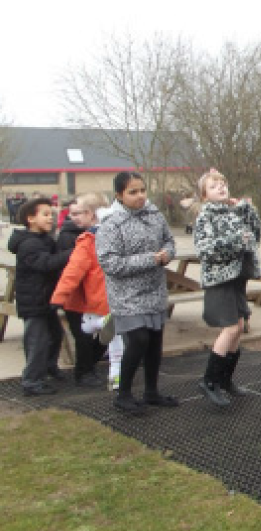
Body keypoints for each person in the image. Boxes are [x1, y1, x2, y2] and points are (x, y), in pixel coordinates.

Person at [96, 172, 178, 414]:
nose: (140, 196)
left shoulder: (155, 216)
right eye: (133, 192)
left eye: (142, 190)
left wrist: (167, 254)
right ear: (119, 195)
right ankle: (124, 394)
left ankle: (152, 391)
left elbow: (170, 241)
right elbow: (110, 263)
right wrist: (148, 260)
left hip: (154, 290)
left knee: (154, 341)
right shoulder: (111, 224)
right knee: (138, 340)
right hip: (127, 295)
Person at [192, 169, 261, 407]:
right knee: (230, 329)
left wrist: (246, 209)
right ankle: (209, 381)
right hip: (219, 280)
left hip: (237, 278)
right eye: (213, 186)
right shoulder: (206, 217)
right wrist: (235, 242)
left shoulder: (233, 213)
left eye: (223, 183)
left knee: (239, 326)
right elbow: (205, 249)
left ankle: (225, 379)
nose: (221, 188)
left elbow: (254, 234)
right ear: (204, 196)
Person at [8, 197, 74, 395]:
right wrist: (72, 252)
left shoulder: (44, 239)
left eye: (51, 215)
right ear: (30, 219)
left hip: (46, 300)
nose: (50, 219)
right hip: (34, 302)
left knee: (55, 334)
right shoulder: (29, 244)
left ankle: (48, 367)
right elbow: (46, 264)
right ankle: (31, 381)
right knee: (37, 341)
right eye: (45, 215)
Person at [50, 193, 111, 387]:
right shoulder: (81, 239)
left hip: (98, 297)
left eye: (79, 213)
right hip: (79, 299)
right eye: (72, 213)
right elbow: (72, 272)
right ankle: (83, 371)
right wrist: (60, 296)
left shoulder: (101, 236)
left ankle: (88, 366)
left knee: (107, 332)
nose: (74, 217)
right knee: (84, 337)